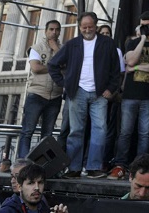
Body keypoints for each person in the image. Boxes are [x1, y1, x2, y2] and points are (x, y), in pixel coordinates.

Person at [47, 12, 122, 178]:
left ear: (96, 26)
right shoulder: (72, 44)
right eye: (84, 27)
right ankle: (73, 168)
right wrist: (65, 84)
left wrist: (111, 88)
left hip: (100, 93)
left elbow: (116, 70)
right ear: (79, 27)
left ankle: (93, 167)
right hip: (77, 92)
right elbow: (53, 64)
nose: (87, 29)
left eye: (90, 26)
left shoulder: (108, 43)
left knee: (100, 130)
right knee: (76, 131)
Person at [108, 13, 149, 179]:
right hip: (130, 95)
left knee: (144, 134)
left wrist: (137, 69)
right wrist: (142, 39)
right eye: (143, 25)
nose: (146, 27)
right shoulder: (132, 42)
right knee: (125, 132)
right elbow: (130, 61)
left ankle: (140, 166)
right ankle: (120, 164)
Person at [17, 21, 63, 159]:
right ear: (45, 30)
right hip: (37, 94)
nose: (54, 32)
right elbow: (36, 68)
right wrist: (56, 67)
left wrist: (56, 50)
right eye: (51, 29)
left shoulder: (63, 49)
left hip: (55, 96)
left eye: (57, 30)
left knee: (47, 134)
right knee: (27, 131)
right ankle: (23, 162)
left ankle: (43, 164)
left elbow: (67, 66)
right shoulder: (36, 48)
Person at [0, 164, 66, 213]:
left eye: (40, 182)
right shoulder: (8, 210)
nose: (37, 188)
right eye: (31, 183)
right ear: (19, 187)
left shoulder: (43, 207)